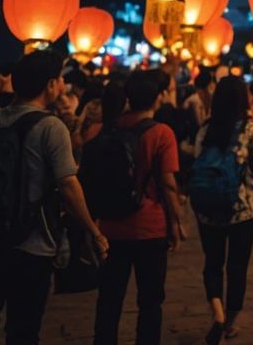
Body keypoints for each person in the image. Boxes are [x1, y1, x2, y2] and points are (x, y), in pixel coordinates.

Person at [0, 52, 108, 345]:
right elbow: (68, 184)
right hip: (32, 243)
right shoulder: (51, 127)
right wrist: (93, 230)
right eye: (60, 80)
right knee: (23, 329)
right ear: (50, 84)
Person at [91, 70, 182, 345]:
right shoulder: (162, 133)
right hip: (149, 227)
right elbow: (168, 184)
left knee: (109, 298)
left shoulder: (109, 127)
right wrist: (176, 222)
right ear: (157, 97)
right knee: (151, 300)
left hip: (111, 226)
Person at [192, 76, 253, 344]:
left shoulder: (205, 129)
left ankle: (216, 311)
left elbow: (197, 162)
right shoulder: (249, 130)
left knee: (212, 263)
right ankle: (230, 323)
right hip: (243, 210)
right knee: (237, 266)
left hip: (208, 210)